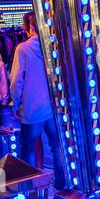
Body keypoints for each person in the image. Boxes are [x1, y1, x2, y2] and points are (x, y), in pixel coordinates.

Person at [10, 11, 65, 189]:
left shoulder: (23, 49)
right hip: (53, 107)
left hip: (32, 109)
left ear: (29, 27)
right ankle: (63, 184)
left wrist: (15, 103)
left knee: (29, 148)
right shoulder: (53, 48)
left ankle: (34, 187)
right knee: (57, 146)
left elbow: (16, 80)